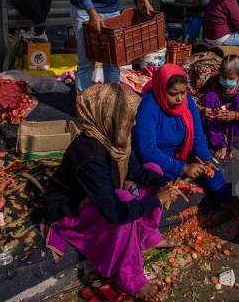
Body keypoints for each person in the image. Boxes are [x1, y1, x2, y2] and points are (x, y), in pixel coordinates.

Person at [43, 84, 181, 302]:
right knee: (124, 200)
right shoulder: (89, 153)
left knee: (155, 171)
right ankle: (129, 277)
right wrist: (155, 201)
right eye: (129, 118)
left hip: (103, 194)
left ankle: (147, 236)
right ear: (111, 117)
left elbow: (136, 171)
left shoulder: (117, 136)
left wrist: (168, 183)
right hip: (70, 209)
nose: (134, 123)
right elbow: (115, 212)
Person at [133, 64, 231, 200]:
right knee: (157, 185)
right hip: (157, 160)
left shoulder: (188, 103)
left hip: (183, 155)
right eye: (173, 94)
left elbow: (197, 139)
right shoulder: (148, 106)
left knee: (219, 184)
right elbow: (146, 149)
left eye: (182, 92)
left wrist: (207, 162)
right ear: (161, 90)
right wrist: (182, 168)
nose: (179, 99)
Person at [199, 55, 239, 159]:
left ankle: (233, 145)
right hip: (217, 121)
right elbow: (195, 99)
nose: (226, 81)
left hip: (236, 125)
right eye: (224, 77)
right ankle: (220, 144)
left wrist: (235, 115)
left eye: (231, 78)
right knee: (209, 97)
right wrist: (203, 109)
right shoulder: (214, 82)